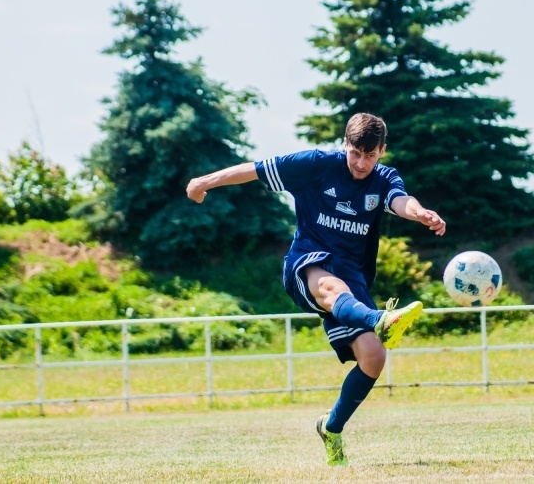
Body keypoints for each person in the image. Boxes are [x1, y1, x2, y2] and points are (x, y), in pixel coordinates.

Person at [186, 112, 446, 466]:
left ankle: (331, 427)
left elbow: (401, 200)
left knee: (374, 357)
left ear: (382, 151)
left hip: (352, 276)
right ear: (345, 144)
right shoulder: (315, 164)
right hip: (307, 262)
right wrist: (203, 181)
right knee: (330, 284)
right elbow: (254, 168)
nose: (361, 162)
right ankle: (379, 319)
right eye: (355, 152)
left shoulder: (384, 178)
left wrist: (420, 213)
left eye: (370, 155)